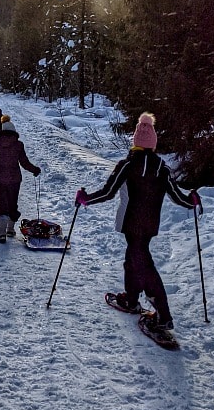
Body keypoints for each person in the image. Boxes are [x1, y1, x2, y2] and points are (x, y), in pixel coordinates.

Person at [75, 112, 201, 332]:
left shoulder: (127, 164)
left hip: (131, 224)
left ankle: (164, 316)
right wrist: (191, 201)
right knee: (132, 261)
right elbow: (177, 195)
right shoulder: (162, 168)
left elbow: (108, 192)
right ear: (152, 144)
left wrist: (85, 199)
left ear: (135, 142)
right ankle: (131, 300)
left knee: (144, 268)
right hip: (149, 226)